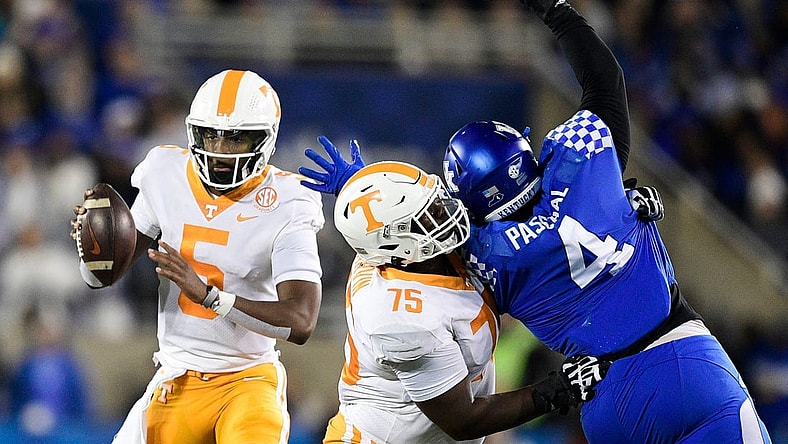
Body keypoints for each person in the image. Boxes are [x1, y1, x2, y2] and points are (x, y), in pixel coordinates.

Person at [299, 1, 774, 442]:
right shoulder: (585, 167)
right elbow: (606, 83)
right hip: (684, 360)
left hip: (605, 398)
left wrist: (359, 187)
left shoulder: (483, 256)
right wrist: (557, 11)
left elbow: (413, 246)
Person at [70, 69, 325, 444]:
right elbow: (106, 275)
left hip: (247, 380)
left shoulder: (288, 201)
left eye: (236, 138)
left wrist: (210, 296)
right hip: (178, 377)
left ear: (265, 139)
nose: (220, 151)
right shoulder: (165, 173)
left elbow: (301, 321)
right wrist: (93, 247)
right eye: (212, 135)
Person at [321, 160, 604, 443]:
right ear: (399, 246)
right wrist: (557, 390)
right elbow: (464, 421)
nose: (444, 213)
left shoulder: (412, 253)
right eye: (427, 216)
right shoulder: (400, 320)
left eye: (435, 202)